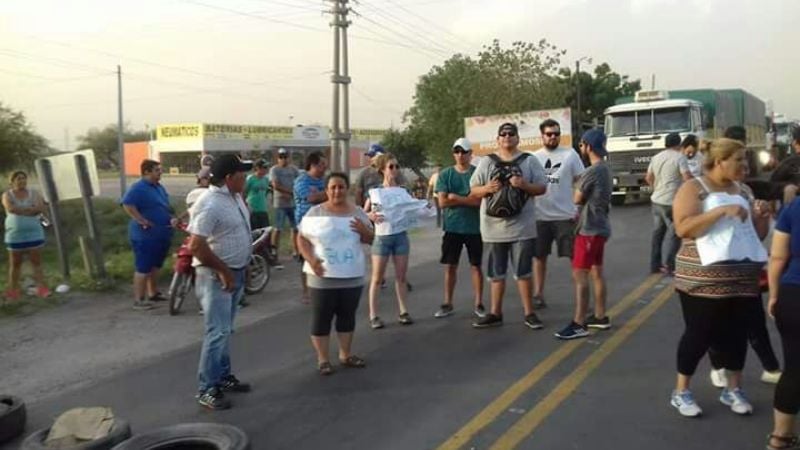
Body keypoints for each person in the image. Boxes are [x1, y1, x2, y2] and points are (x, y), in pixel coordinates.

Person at [669, 138, 771, 417]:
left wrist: (761, 217)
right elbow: (683, 228)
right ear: (719, 161)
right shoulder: (693, 188)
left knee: (738, 335)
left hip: (742, 278)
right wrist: (719, 211)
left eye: (745, 159)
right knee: (699, 335)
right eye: (738, 160)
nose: (745, 166)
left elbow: (755, 235)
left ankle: (733, 389)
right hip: (701, 279)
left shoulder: (745, 191)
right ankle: (682, 392)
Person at [188, 154, 254, 410]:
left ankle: (223, 377)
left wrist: (242, 264)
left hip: (234, 271)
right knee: (216, 332)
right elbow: (196, 245)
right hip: (215, 276)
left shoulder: (234, 197)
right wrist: (224, 271)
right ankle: (206, 388)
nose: (245, 178)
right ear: (229, 178)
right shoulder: (210, 203)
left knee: (226, 329)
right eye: (242, 174)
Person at [470, 122, 547, 329]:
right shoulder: (487, 162)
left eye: (511, 133)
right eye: (502, 134)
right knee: (496, 272)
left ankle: (529, 313)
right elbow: (474, 190)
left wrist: (523, 185)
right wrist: (487, 188)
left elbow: (542, 188)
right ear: (497, 139)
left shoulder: (529, 161)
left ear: (517, 138)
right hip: (493, 229)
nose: (506, 137)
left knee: (523, 271)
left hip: (522, 227)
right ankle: (495, 313)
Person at [297, 173, 374, 375]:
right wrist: (311, 260)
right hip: (322, 275)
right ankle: (323, 359)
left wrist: (363, 230)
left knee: (347, 315)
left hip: (351, 274)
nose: (337, 191)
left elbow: (371, 239)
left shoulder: (357, 212)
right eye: (332, 187)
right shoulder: (316, 213)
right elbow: (301, 239)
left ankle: (345, 354)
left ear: (347, 189)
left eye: (341, 187)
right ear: (327, 190)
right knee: (322, 316)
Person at [554, 130, 612, 339]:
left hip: (589, 228)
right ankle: (600, 315)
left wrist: (575, 187)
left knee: (580, 274)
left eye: (581, 145)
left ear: (588, 146)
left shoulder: (592, 171)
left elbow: (577, 198)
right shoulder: (605, 168)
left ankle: (579, 322)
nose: (581, 149)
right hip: (601, 226)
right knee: (597, 271)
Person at [532, 118, 585, 309]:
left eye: (556, 133)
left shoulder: (570, 155)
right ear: (542, 136)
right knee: (539, 257)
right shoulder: (534, 157)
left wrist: (579, 207)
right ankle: (538, 294)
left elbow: (581, 181)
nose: (552, 137)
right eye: (549, 134)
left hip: (565, 216)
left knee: (574, 258)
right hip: (540, 217)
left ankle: (581, 296)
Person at [433, 138, 484, 319]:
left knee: (476, 266)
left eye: (463, 152)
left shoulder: (477, 174)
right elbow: (442, 201)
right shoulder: (445, 174)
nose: (460, 155)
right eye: (457, 151)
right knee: (450, 266)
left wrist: (456, 198)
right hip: (453, 228)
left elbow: (479, 201)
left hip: (474, 228)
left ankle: (478, 303)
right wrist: (466, 199)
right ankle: (448, 302)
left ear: (470, 154)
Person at [766, 199, 800, 449]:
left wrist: (775, 295)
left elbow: (777, 256)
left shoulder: (794, 206)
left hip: (793, 295)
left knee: (794, 371)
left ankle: (780, 438)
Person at [121, 159, 177, 311]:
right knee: (143, 266)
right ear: (147, 172)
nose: (160, 173)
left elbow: (165, 206)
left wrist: (172, 217)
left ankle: (153, 292)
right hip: (145, 235)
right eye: (157, 170)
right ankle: (139, 300)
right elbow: (127, 204)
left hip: (161, 233)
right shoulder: (138, 188)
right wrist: (141, 220)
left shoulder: (158, 187)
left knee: (155, 265)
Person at [2, 171, 50, 301]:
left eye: (24, 178)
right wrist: (30, 209)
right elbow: (11, 209)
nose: (22, 181)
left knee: (36, 262)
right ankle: (13, 291)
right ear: (12, 181)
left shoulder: (34, 193)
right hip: (15, 234)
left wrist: (26, 210)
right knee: (15, 263)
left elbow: (40, 207)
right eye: (18, 179)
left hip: (34, 233)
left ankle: (41, 289)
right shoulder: (7, 195)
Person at [646, 132, 684, 275]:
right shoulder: (680, 158)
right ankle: (670, 265)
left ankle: (655, 266)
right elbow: (687, 177)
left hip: (656, 200)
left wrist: (656, 189)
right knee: (676, 234)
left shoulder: (656, 157)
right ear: (679, 144)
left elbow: (648, 177)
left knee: (658, 235)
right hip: (671, 202)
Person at [294, 152, 329, 304]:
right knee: (306, 258)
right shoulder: (302, 181)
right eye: (322, 164)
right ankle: (307, 292)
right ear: (313, 165)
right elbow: (311, 198)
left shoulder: (323, 180)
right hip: (306, 226)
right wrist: (327, 193)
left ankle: (322, 286)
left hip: (324, 224)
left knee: (323, 255)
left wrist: (324, 194)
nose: (324, 168)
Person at [269, 148, 300, 266]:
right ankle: (274, 252)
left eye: (285, 156)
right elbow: (275, 185)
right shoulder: (274, 170)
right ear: (278, 158)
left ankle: (296, 251)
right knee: (277, 229)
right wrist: (290, 193)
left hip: (292, 203)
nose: (283, 159)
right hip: (280, 203)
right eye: (281, 157)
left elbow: (298, 182)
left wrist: (293, 193)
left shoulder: (294, 169)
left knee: (295, 228)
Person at [244, 159, 270, 230]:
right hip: (253, 209)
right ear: (258, 168)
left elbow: (266, 192)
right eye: (264, 167)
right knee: (254, 230)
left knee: (265, 231)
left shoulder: (266, 179)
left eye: (266, 168)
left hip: (263, 209)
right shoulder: (251, 179)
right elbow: (244, 192)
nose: (266, 169)